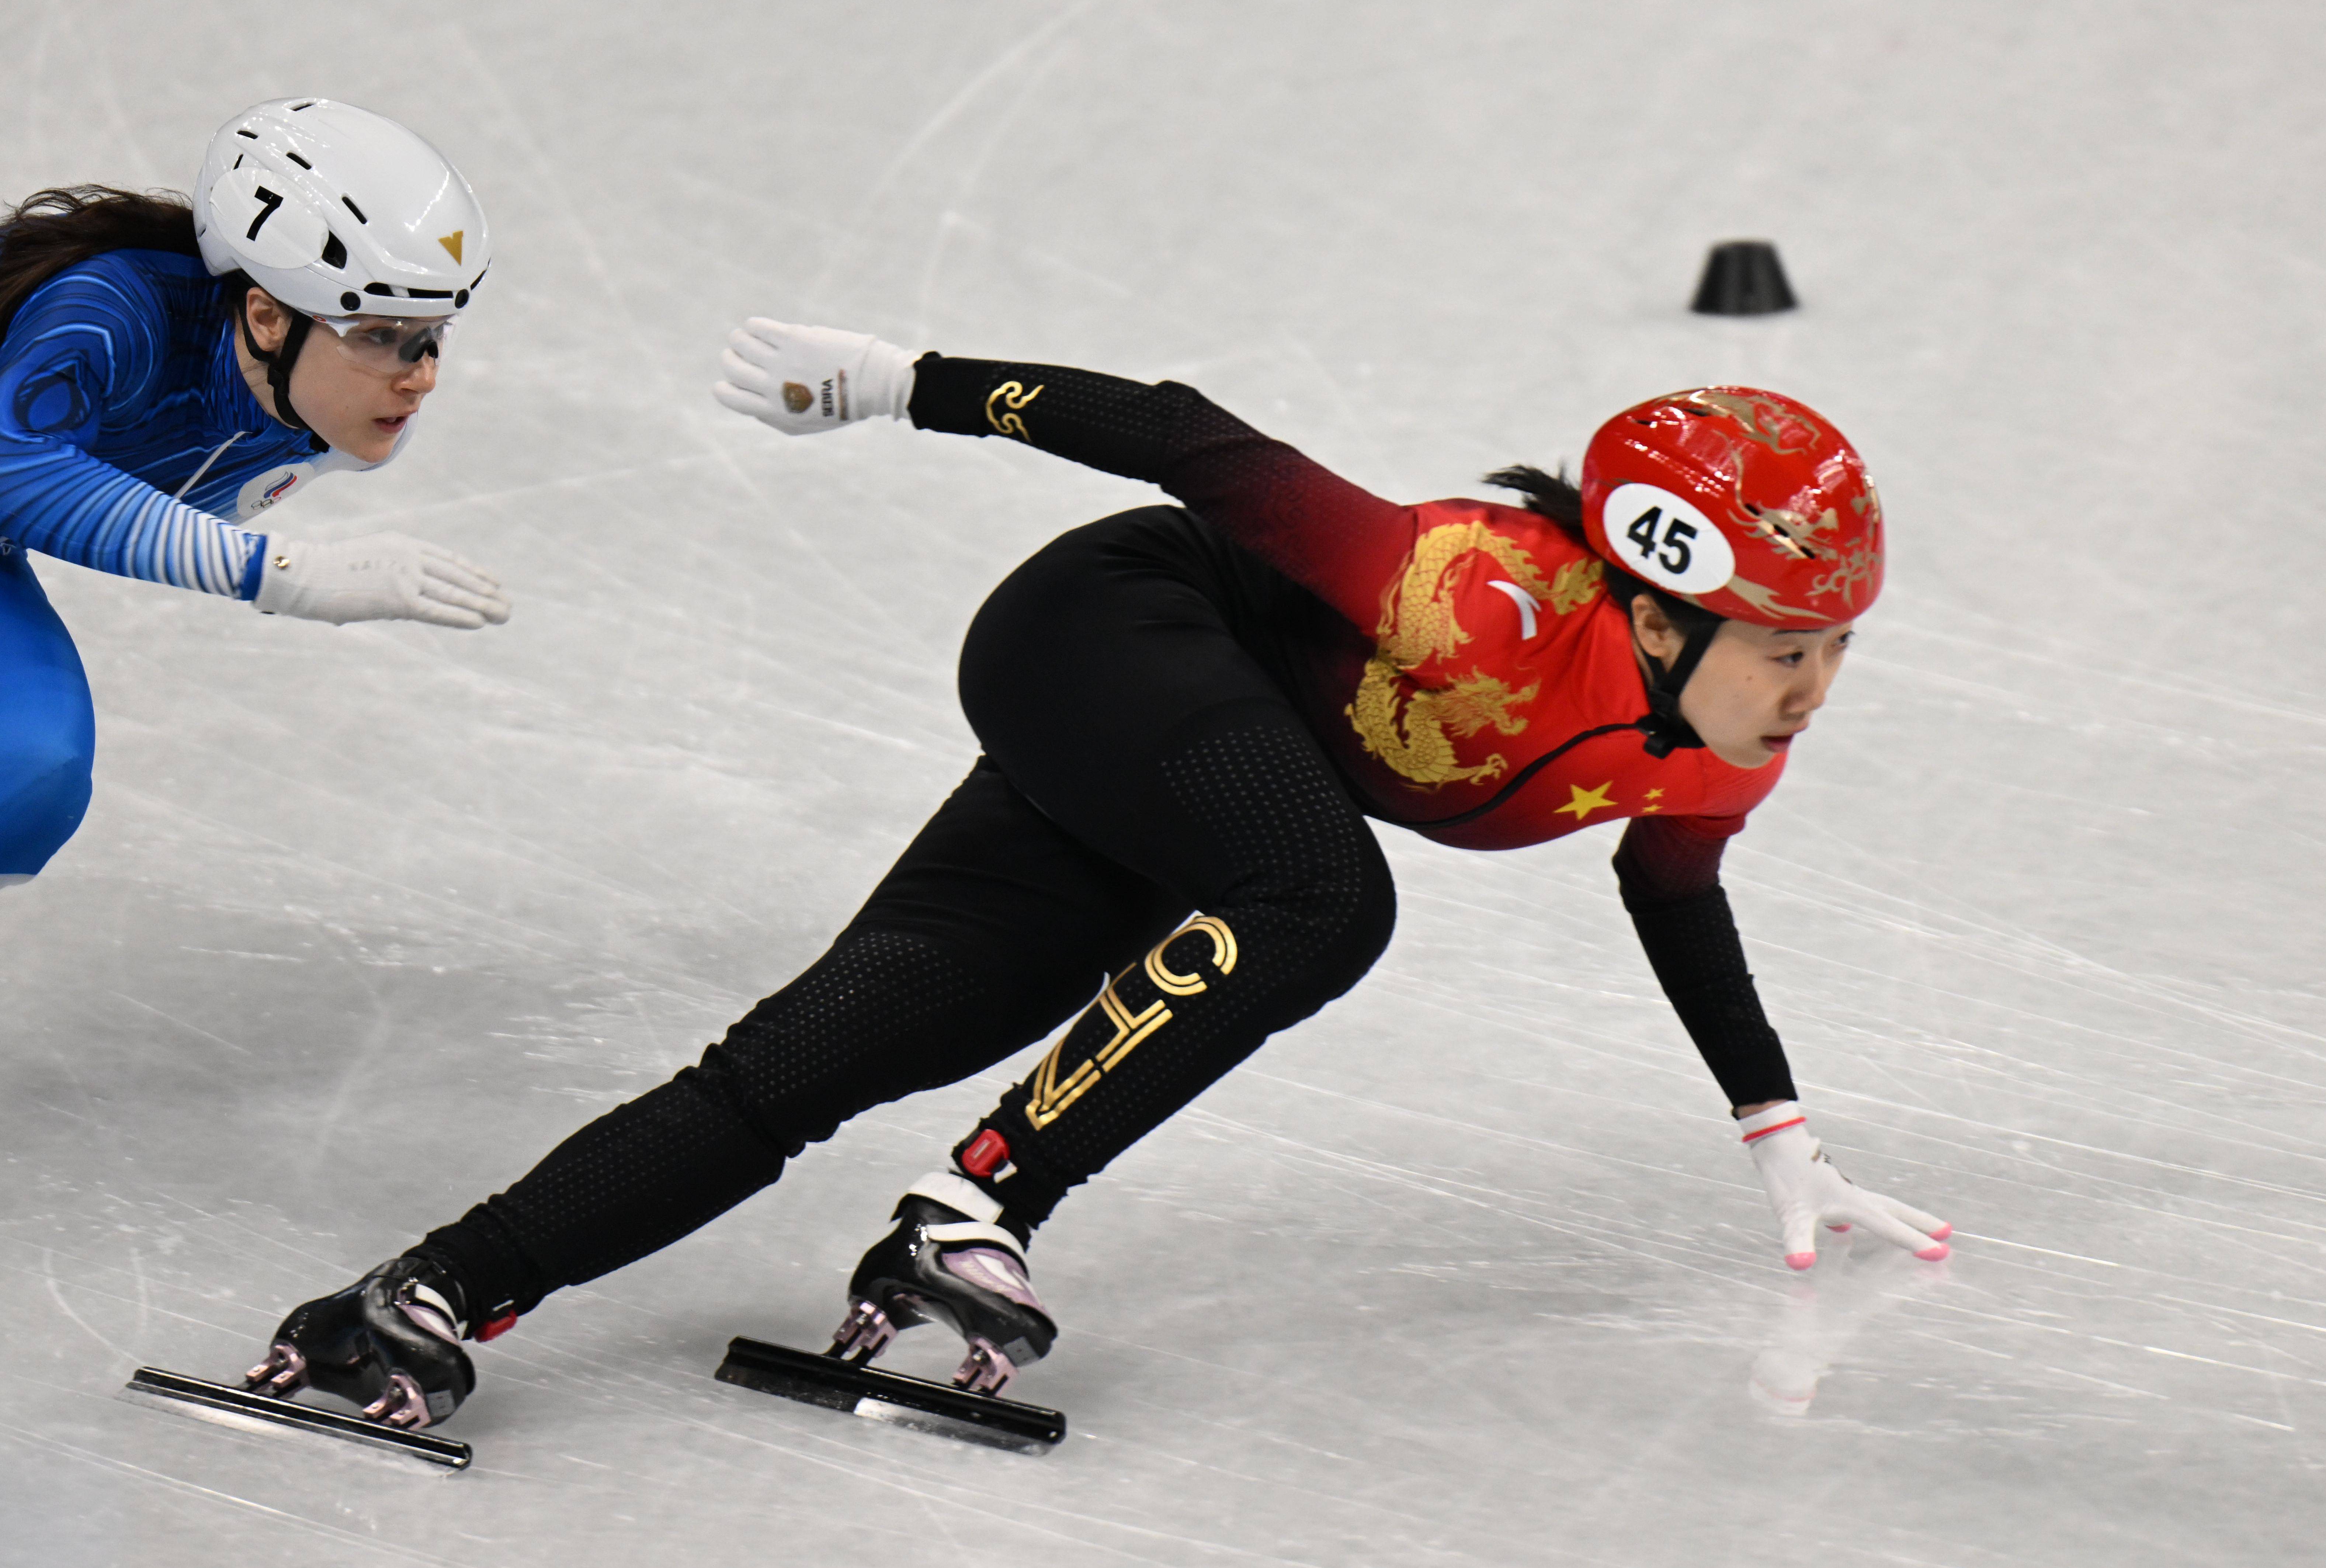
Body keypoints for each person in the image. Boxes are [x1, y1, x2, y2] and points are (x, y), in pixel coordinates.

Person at [237, 320, 1949, 1432]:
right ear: (1654, 606)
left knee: (816, 1057)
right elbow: (1196, 442)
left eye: (1835, 648)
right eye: (1789, 639)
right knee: (1329, 895)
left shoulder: (1720, 749)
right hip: (1119, 630)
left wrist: (1777, 1131)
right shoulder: (1476, 592)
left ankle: (416, 1293)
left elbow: (1675, 895)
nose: (1812, 685)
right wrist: (898, 383)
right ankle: (976, 1206)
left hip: (1197, 779)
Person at [0, 98, 511, 887]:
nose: (423, 376)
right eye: (380, 335)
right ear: (268, 317)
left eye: (434, 334)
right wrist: (280, 574)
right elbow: (14, 467)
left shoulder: (341, 426)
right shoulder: (115, 312)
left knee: (30, 772)